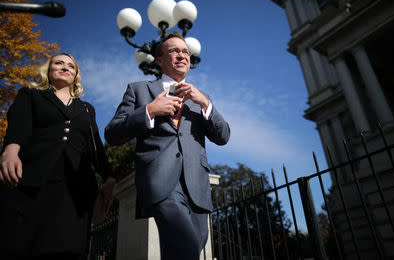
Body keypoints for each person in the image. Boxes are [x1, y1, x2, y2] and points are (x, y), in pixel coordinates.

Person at [105, 31, 230, 259]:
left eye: (185, 52)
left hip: (197, 189)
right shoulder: (139, 90)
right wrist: (150, 110)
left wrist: (204, 103)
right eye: (174, 50)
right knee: (185, 246)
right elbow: (112, 134)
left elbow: (223, 137)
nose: (182, 55)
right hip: (160, 181)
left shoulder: (201, 98)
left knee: (186, 249)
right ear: (160, 60)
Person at [0, 53, 116, 260]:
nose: (65, 67)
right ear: (48, 70)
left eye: (71, 66)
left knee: (68, 248)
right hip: (31, 179)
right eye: (59, 63)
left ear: (75, 75)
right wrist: (10, 151)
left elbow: (95, 146)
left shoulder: (87, 109)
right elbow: (19, 126)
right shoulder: (30, 95)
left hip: (76, 189)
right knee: (19, 244)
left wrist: (108, 176)